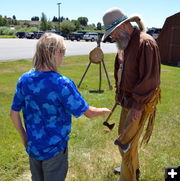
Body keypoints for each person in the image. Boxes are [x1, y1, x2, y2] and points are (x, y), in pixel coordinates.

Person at [10, 33, 111, 181]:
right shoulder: (62, 83)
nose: (62, 56)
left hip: (34, 148)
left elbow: (13, 113)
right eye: (62, 52)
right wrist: (103, 111)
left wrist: (25, 139)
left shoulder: (24, 80)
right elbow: (88, 112)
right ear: (55, 52)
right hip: (55, 151)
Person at [102, 8, 161, 181]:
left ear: (124, 26)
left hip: (139, 104)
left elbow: (150, 79)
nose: (111, 37)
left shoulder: (146, 43)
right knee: (126, 141)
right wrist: (120, 95)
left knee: (125, 143)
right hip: (128, 101)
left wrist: (137, 107)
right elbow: (120, 71)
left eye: (112, 33)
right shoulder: (125, 44)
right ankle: (133, 169)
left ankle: (128, 177)